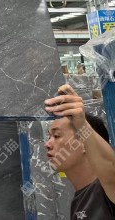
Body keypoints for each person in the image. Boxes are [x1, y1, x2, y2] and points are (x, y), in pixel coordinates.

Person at [44, 84, 115, 219]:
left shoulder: (106, 190)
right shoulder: (79, 201)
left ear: (83, 143)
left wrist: (82, 124)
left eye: (57, 136)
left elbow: (111, 171)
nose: (47, 144)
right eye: (49, 137)